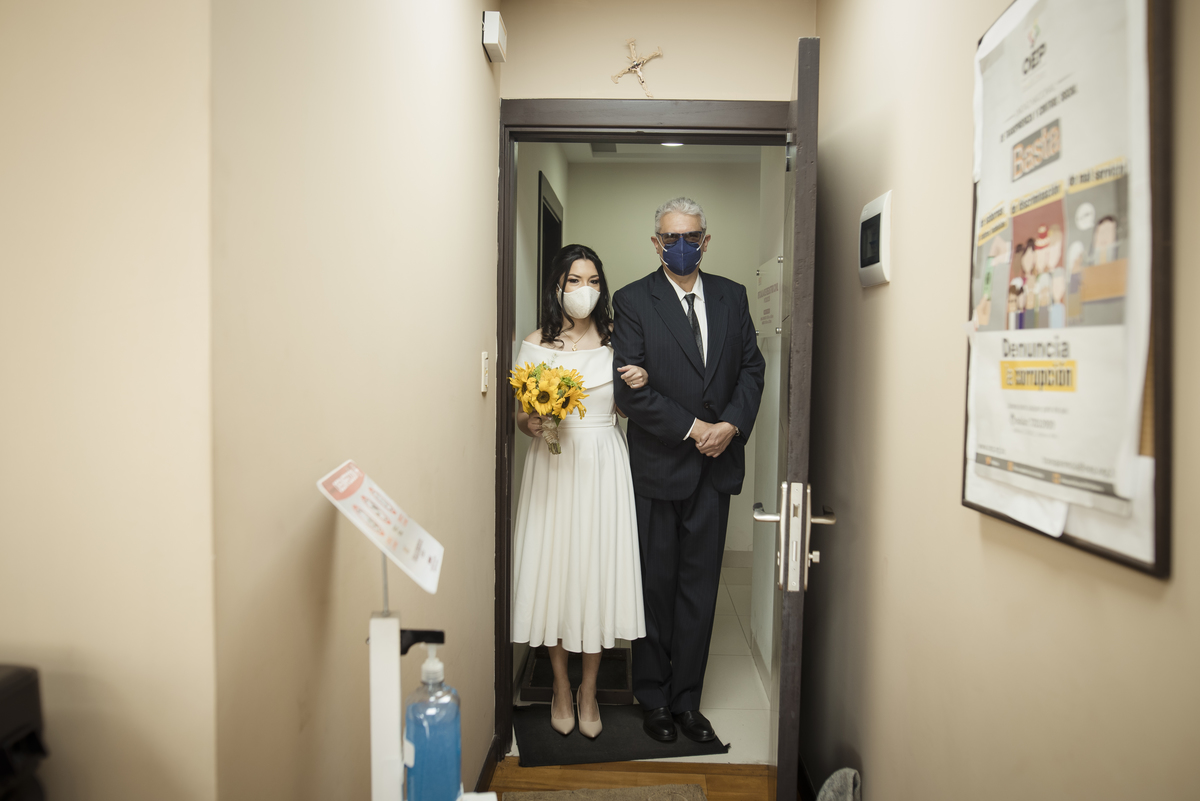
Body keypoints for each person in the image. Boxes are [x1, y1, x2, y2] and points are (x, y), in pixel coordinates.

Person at [611, 197, 765, 745]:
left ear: (706, 239)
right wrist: (696, 428)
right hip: (658, 468)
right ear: (656, 243)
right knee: (656, 585)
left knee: (700, 588)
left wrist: (730, 425)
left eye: (692, 235)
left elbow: (752, 367)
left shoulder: (732, 296)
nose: (682, 244)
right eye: (672, 236)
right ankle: (652, 697)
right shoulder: (632, 301)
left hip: (716, 469)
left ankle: (687, 701)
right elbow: (632, 396)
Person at [511, 244, 648, 740]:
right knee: (557, 568)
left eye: (592, 280)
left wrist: (640, 379)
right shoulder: (536, 343)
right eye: (574, 280)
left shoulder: (620, 340)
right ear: (557, 287)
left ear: (601, 287)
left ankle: (590, 689)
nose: (584, 289)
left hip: (603, 463)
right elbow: (521, 418)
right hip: (554, 466)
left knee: (595, 569)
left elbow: (633, 409)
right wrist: (533, 421)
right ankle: (560, 685)